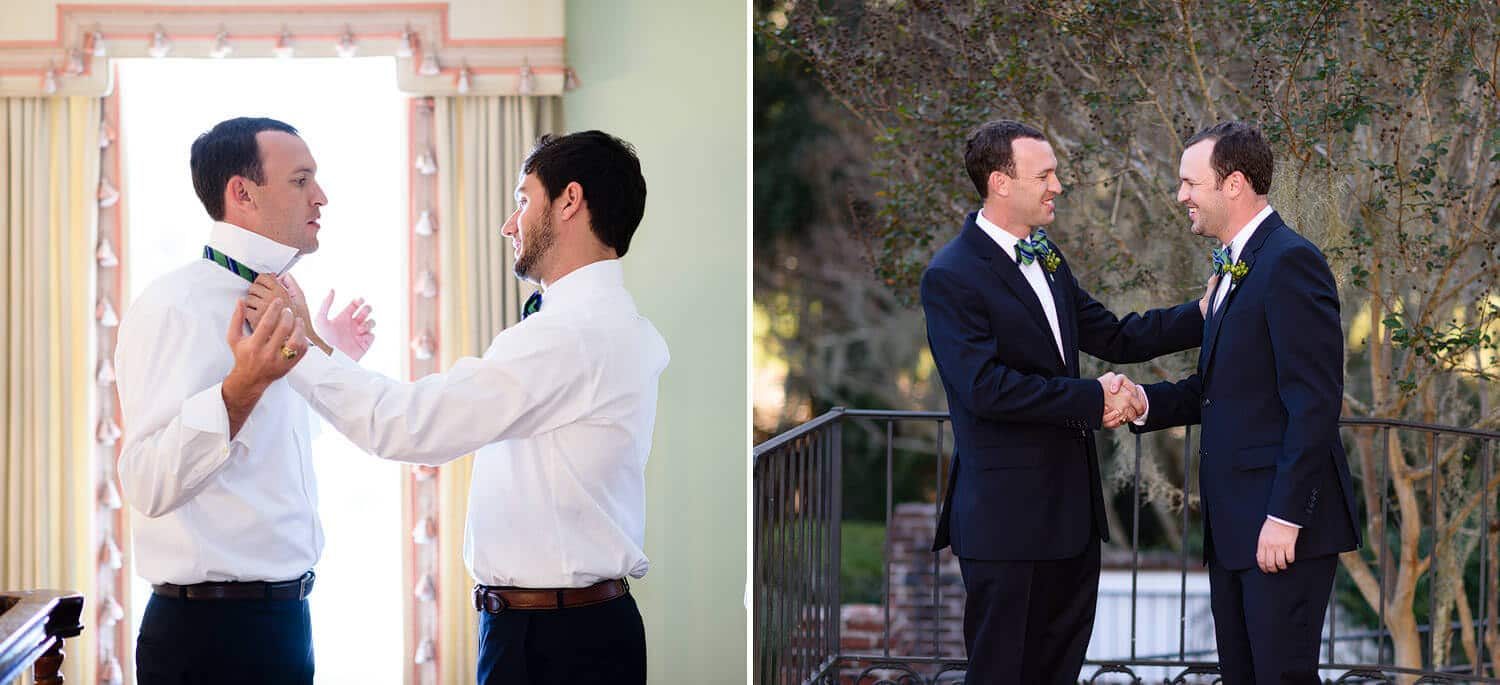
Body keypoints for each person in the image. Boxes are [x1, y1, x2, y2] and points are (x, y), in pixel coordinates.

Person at [248, 130, 667, 685]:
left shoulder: (568, 337)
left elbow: (406, 427)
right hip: (576, 630)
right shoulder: (618, 327)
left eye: (523, 200)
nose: (509, 224)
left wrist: (293, 345)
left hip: (552, 646)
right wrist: (323, 348)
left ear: (569, 200)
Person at [920, 119, 1209, 683]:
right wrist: (1090, 398)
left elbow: (1117, 336)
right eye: (1044, 174)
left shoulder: (1046, 256)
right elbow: (984, 389)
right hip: (1005, 521)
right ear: (1001, 182)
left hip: (1071, 518)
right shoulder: (950, 276)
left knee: (1058, 671)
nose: (1058, 185)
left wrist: (1203, 313)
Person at [115, 116, 371, 685]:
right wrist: (242, 387)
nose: (321, 197)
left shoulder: (285, 302)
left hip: (285, 623)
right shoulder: (173, 307)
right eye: (301, 180)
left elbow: (269, 449)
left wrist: (334, 360)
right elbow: (146, 483)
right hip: (208, 638)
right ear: (242, 193)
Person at [1123, 121, 1359, 684]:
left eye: (1189, 182)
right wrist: (1143, 404)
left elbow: (1314, 401)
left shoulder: (1290, 262)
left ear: (1232, 184)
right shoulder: (1232, 270)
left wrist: (1284, 516)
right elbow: (1224, 391)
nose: (1181, 195)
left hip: (1280, 531)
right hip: (1234, 530)